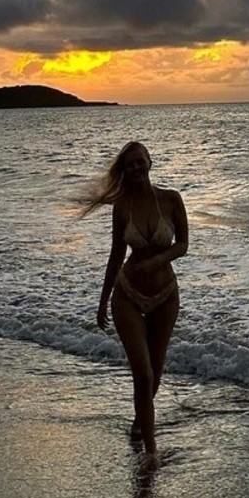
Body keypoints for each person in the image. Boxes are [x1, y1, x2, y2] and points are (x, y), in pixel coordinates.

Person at [82, 141, 188, 459]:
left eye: (140, 162)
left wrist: (158, 260)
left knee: (154, 375)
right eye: (130, 165)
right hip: (127, 294)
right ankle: (151, 452)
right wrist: (103, 300)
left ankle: (140, 422)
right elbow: (116, 255)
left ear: (150, 162)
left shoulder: (171, 199)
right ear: (125, 171)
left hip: (166, 295)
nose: (136, 168)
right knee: (142, 374)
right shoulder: (122, 207)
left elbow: (183, 244)